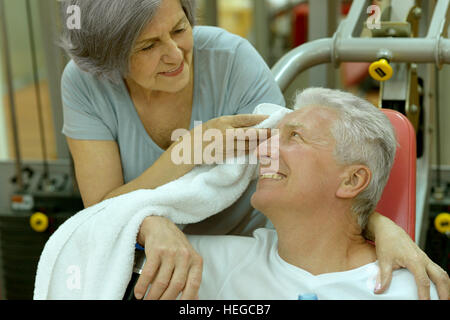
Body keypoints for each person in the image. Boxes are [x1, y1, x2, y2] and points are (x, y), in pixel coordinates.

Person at [59, 0, 448, 300]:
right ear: (108, 59)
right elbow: (100, 213)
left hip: (260, 243)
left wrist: (382, 226)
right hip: (159, 251)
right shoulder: (84, 84)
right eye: (147, 46)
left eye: (180, 29)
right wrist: (152, 211)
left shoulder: (231, 61)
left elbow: (307, 173)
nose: (176, 55)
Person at [172, 88, 445, 299]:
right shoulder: (205, 263)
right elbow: (128, 234)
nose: (261, 151)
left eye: (294, 137)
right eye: (271, 139)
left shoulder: (414, 290)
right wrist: (150, 223)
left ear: (352, 180)